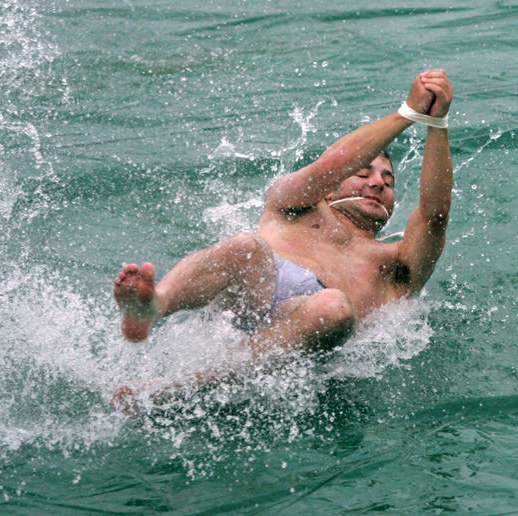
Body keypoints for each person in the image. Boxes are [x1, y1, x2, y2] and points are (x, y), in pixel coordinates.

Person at [112, 69, 453, 409]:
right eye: (363, 173)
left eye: (389, 182)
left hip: (314, 332)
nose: (378, 183)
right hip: (251, 298)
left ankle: (171, 389)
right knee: (246, 246)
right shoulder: (292, 205)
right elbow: (329, 166)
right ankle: (154, 306)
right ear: (331, 191)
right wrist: (407, 113)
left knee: (333, 308)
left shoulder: (392, 264)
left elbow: (434, 217)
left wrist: (437, 125)